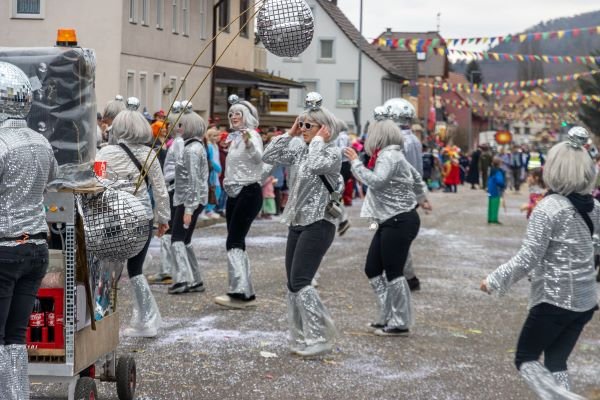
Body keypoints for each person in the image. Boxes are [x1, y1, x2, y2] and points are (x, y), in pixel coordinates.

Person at [480, 127, 598, 400]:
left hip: (554, 300)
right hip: (585, 301)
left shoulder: (548, 208)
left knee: (526, 358)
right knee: (556, 362)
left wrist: (494, 280)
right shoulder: (594, 206)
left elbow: (529, 256)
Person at [262, 92, 341, 357]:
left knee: (302, 280)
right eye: (302, 123)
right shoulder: (299, 149)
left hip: (319, 222)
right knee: (292, 284)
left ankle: (320, 337)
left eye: (310, 125)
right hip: (297, 221)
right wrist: (291, 133)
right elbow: (268, 155)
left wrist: (318, 141)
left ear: (325, 129)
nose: (305, 129)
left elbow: (319, 166)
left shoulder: (332, 152)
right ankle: (300, 336)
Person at [344, 111, 431, 337]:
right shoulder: (393, 155)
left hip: (399, 219)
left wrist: (355, 163)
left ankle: (400, 321)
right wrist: (422, 198)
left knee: (393, 271)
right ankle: (386, 315)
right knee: (372, 268)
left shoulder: (389, 157)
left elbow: (377, 181)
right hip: (391, 219)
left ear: (378, 136)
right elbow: (416, 178)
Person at [0, 62, 58, 400]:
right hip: (35, 246)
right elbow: (49, 182)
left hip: (5, 247)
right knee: (15, 334)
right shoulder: (41, 142)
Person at [96, 98, 170, 337]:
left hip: (112, 218)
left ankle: (102, 316)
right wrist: (163, 219)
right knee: (135, 269)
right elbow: (160, 190)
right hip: (143, 218)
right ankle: (146, 319)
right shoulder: (150, 154)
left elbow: (96, 184)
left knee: (106, 268)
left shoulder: (105, 152)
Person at [214, 95, 264, 309]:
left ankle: (238, 293)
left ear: (247, 116)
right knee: (237, 242)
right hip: (234, 193)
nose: (234, 117)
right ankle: (246, 292)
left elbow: (258, 158)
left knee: (233, 241)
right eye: (231, 114)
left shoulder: (251, 135)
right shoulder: (235, 138)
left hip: (248, 192)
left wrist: (249, 144)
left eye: (238, 114)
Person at [167, 106, 209, 294]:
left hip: (187, 199)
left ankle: (182, 279)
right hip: (189, 198)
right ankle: (196, 279)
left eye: (181, 125)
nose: (178, 128)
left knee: (177, 238)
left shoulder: (192, 150)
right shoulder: (195, 146)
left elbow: (194, 180)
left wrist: (189, 209)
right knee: (186, 240)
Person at [384, 98, 423, 291]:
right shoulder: (414, 139)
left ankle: (406, 276)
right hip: (410, 194)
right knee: (398, 237)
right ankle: (403, 274)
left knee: (395, 237)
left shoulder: (397, 141)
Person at [487, 157, 505, 224]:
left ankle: (490, 218)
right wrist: (503, 185)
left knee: (490, 205)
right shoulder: (498, 171)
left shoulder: (491, 170)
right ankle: (494, 219)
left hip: (490, 189)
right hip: (496, 190)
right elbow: (499, 181)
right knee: (495, 205)